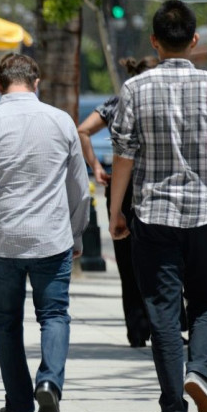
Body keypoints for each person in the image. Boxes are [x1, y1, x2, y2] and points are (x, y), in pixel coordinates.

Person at [110, 0, 207, 412]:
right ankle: (201, 372)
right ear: (194, 40)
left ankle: (173, 406)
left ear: (154, 42)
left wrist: (117, 211)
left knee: (163, 310)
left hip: (151, 214)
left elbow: (123, 157)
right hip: (204, 214)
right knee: (206, 300)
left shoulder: (134, 89)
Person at [0, 53, 90, 412]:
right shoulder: (62, 122)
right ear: (37, 82)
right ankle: (49, 381)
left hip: (3, 239)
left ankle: (17, 402)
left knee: (6, 322)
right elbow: (80, 187)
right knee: (54, 315)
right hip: (52, 237)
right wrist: (77, 232)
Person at [77, 56, 158, 348]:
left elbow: (83, 130)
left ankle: (136, 330)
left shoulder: (117, 102)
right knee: (161, 259)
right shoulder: (159, 101)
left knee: (127, 263)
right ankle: (164, 325)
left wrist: (97, 168)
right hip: (154, 186)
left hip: (120, 189)